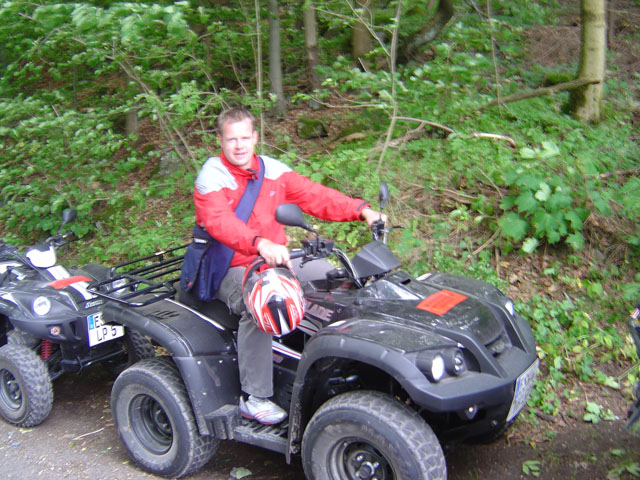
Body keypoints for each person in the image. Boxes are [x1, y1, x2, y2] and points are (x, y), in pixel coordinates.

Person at [191, 107, 385, 425]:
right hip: (227, 264)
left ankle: (333, 362)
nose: (239, 145)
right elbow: (220, 223)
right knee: (266, 301)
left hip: (275, 259)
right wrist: (260, 244)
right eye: (231, 139)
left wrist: (362, 210)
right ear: (221, 142)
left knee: (333, 277)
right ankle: (255, 397)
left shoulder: (273, 172)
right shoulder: (212, 178)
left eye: (244, 138)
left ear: (255, 137)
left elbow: (315, 196)